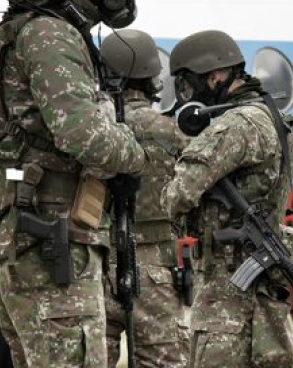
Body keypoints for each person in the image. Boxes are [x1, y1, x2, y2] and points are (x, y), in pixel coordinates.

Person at [0, 0, 144, 367]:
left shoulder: (29, 25)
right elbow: (82, 135)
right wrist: (136, 153)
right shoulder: (51, 33)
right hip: (51, 242)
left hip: (27, 234)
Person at [162, 30, 293, 367]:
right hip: (260, 290)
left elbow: (176, 195)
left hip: (228, 289)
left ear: (215, 76)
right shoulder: (274, 120)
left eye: (188, 85)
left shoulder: (234, 126)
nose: (187, 96)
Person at [99, 29, 191, 367]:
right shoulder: (172, 132)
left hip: (95, 264)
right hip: (155, 269)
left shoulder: (91, 131)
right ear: (152, 76)